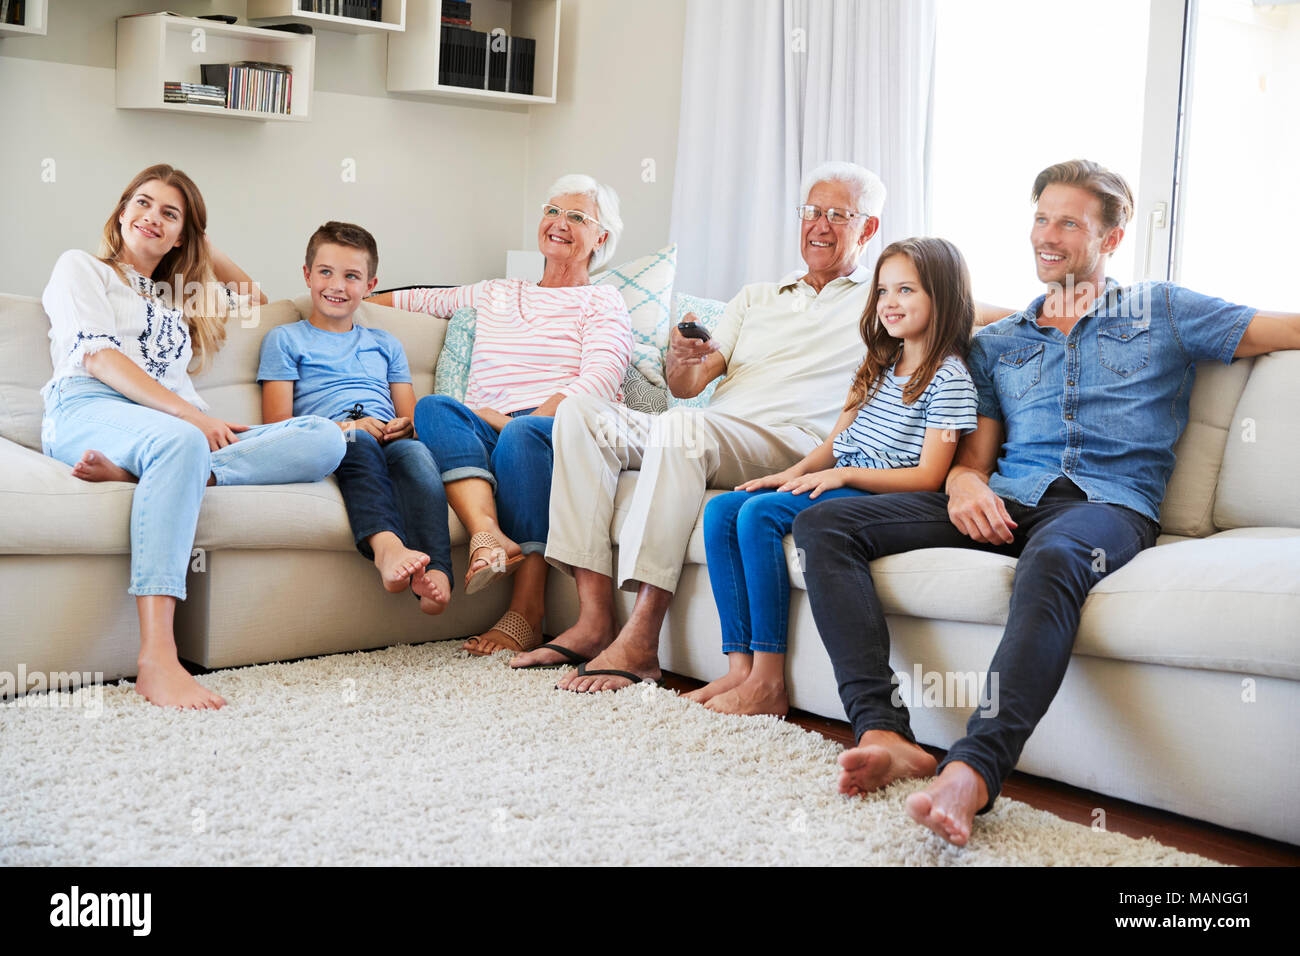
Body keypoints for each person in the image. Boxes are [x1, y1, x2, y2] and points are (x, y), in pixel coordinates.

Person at [793, 159, 1300, 846]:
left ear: (1112, 240)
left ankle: (973, 770)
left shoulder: (1163, 310)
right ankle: (884, 730)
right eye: (1040, 217)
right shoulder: (999, 342)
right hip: (1009, 500)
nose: (1047, 235)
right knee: (827, 521)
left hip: (1107, 507)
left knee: (1055, 559)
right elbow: (972, 458)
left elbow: (1285, 329)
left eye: (1069, 222)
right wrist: (966, 483)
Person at [510, 161, 885, 689]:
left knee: (684, 430)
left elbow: (959, 303)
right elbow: (687, 387)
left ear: (867, 229)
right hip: (718, 431)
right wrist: (682, 357)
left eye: (838, 215)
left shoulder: (883, 299)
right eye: (811, 212)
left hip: (795, 441)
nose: (819, 225)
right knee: (580, 414)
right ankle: (594, 618)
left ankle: (642, 638)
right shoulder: (756, 296)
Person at [40, 164, 345, 710]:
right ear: (121, 212)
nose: (151, 217)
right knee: (180, 444)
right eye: (142, 203)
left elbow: (252, 297)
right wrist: (191, 419)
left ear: (183, 234)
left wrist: (199, 240)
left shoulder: (175, 298)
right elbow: (101, 359)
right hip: (91, 407)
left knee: (325, 438)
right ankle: (158, 658)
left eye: (169, 213)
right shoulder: (82, 269)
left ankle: (148, 472)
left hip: (172, 430)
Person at [685, 238, 978, 717]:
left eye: (907, 290)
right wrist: (790, 474)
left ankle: (768, 680)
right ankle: (739, 668)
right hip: (839, 479)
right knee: (722, 508)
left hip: (871, 496)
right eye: (883, 291)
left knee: (758, 516)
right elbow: (834, 443)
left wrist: (845, 477)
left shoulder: (949, 379)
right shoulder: (878, 365)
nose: (890, 303)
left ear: (942, 298)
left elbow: (929, 477)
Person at [367, 174, 631, 656]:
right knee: (431, 408)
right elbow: (419, 299)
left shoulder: (603, 301)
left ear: (601, 238)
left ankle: (527, 613)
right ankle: (487, 536)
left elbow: (598, 381)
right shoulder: (497, 292)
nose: (558, 223)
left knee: (522, 435)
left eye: (577, 217)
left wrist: (510, 422)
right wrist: (347, 300)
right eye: (552, 211)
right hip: (482, 425)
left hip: (549, 430)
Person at [258, 221, 451, 614]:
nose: (337, 285)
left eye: (351, 276)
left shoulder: (385, 344)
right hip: (329, 438)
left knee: (417, 456)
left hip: (388, 439)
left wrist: (405, 425)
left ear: (370, 285)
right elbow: (276, 424)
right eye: (326, 272)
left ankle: (438, 575)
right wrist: (348, 426)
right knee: (358, 442)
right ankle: (386, 550)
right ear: (307, 275)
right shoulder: (285, 339)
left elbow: (411, 415)